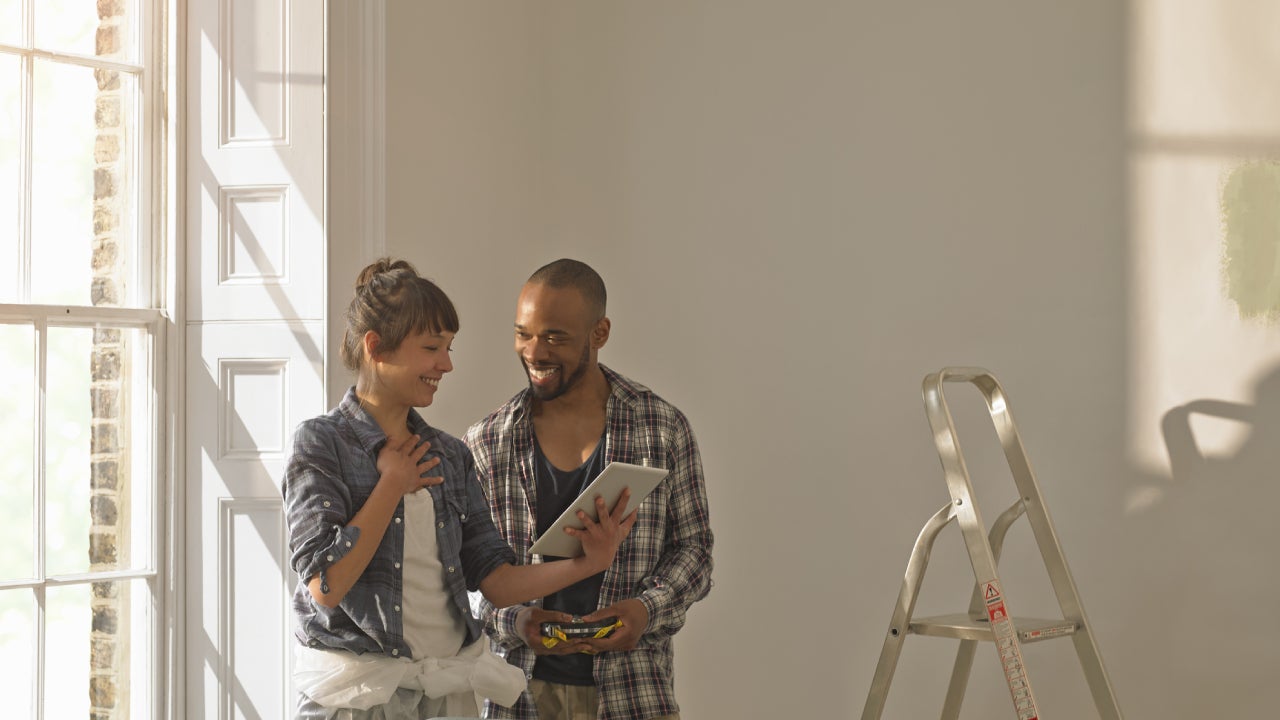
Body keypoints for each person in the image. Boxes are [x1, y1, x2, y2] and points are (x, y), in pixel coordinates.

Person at [283, 258, 637, 720]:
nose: (446, 364)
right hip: (357, 701)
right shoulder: (320, 443)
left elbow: (497, 581)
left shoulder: (450, 455)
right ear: (376, 347)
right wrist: (391, 484)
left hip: (446, 699)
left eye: (449, 348)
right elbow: (326, 584)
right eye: (432, 348)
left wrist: (587, 562)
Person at [465, 259, 714, 720]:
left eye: (555, 337)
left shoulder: (660, 428)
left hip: (635, 691)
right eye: (523, 334)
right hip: (518, 695)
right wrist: (515, 619)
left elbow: (695, 550)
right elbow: (465, 578)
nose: (534, 351)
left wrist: (645, 609)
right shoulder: (486, 443)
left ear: (599, 333)